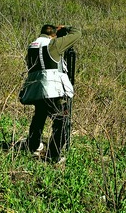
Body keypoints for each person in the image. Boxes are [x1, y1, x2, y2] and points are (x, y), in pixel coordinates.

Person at [25, 23, 83, 165]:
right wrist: (66, 28)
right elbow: (77, 33)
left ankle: (33, 146)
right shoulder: (53, 45)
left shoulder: (32, 47)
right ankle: (53, 156)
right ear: (53, 34)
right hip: (50, 89)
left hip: (35, 88)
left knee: (39, 116)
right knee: (62, 122)